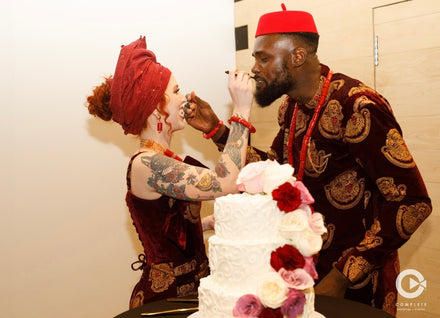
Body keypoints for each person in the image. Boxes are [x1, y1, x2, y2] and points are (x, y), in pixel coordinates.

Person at [184, 4, 432, 315]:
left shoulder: (357, 106)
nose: (255, 69)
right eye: (255, 59)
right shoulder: (290, 107)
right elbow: (274, 172)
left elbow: (412, 201)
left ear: (297, 56)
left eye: (263, 58)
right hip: (301, 271)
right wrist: (217, 130)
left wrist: (343, 276)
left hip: (356, 284)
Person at [85, 36, 253, 309]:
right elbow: (226, 182)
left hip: (192, 293)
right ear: (155, 107)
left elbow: (167, 226)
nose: (184, 98)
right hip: (165, 302)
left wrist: (207, 224)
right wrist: (242, 109)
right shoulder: (147, 164)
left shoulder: (162, 159)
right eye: (176, 91)